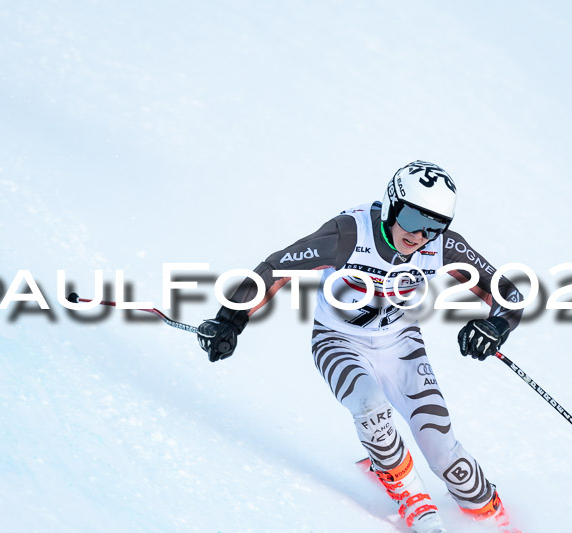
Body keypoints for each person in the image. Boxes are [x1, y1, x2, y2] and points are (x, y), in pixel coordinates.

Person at [197, 161, 523, 533]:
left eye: (435, 226)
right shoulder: (349, 235)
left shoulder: (442, 247)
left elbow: (508, 293)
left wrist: (496, 324)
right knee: (370, 407)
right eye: (414, 218)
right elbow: (276, 268)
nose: (420, 236)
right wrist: (230, 319)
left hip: (401, 344)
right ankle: (411, 496)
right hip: (337, 341)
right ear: (392, 204)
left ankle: (489, 512)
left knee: (442, 450)